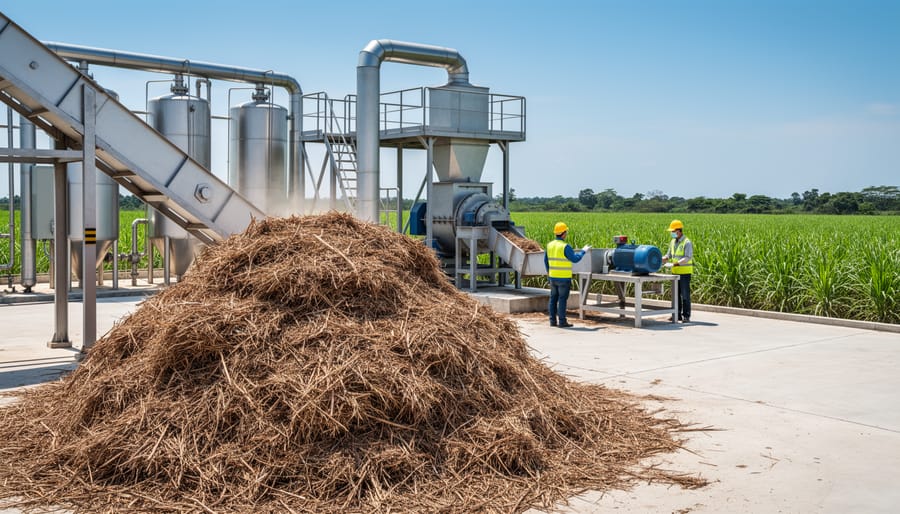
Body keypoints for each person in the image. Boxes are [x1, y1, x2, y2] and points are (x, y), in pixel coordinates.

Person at [544, 222, 588, 328]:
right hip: (563, 278)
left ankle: (552, 321)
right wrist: (583, 251)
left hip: (553, 277)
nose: (566, 234)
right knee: (562, 299)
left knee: (553, 299)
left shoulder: (549, 245)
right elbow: (575, 259)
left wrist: (549, 273)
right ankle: (562, 322)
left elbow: (546, 261)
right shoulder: (565, 247)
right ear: (563, 233)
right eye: (566, 232)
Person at [662, 219, 693, 322]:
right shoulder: (672, 242)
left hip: (684, 273)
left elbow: (688, 257)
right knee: (675, 295)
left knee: (685, 295)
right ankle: (676, 315)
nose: (672, 233)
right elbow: (669, 255)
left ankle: (686, 316)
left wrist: (676, 263)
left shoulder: (687, 242)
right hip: (675, 273)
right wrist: (662, 259)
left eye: (673, 231)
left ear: (678, 231)